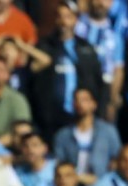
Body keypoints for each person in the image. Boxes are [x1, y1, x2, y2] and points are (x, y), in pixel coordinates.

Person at [31, 1, 105, 142]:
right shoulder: (44, 46)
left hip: (80, 115)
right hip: (49, 117)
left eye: (68, 17)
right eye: (60, 16)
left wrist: (99, 110)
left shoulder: (86, 48)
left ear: (76, 19)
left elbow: (97, 81)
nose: (64, 22)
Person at [52, 88, 122, 186]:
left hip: (102, 185)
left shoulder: (108, 131)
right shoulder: (63, 135)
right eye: (76, 100)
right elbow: (58, 163)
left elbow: (117, 159)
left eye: (84, 100)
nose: (80, 103)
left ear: (94, 104)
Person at [75, 0, 125, 123]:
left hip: (104, 89)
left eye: (106, 0)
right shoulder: (78, 26)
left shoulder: (114, 35)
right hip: (79, 84)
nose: (102, 3)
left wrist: (112, 101)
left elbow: (118, 69)